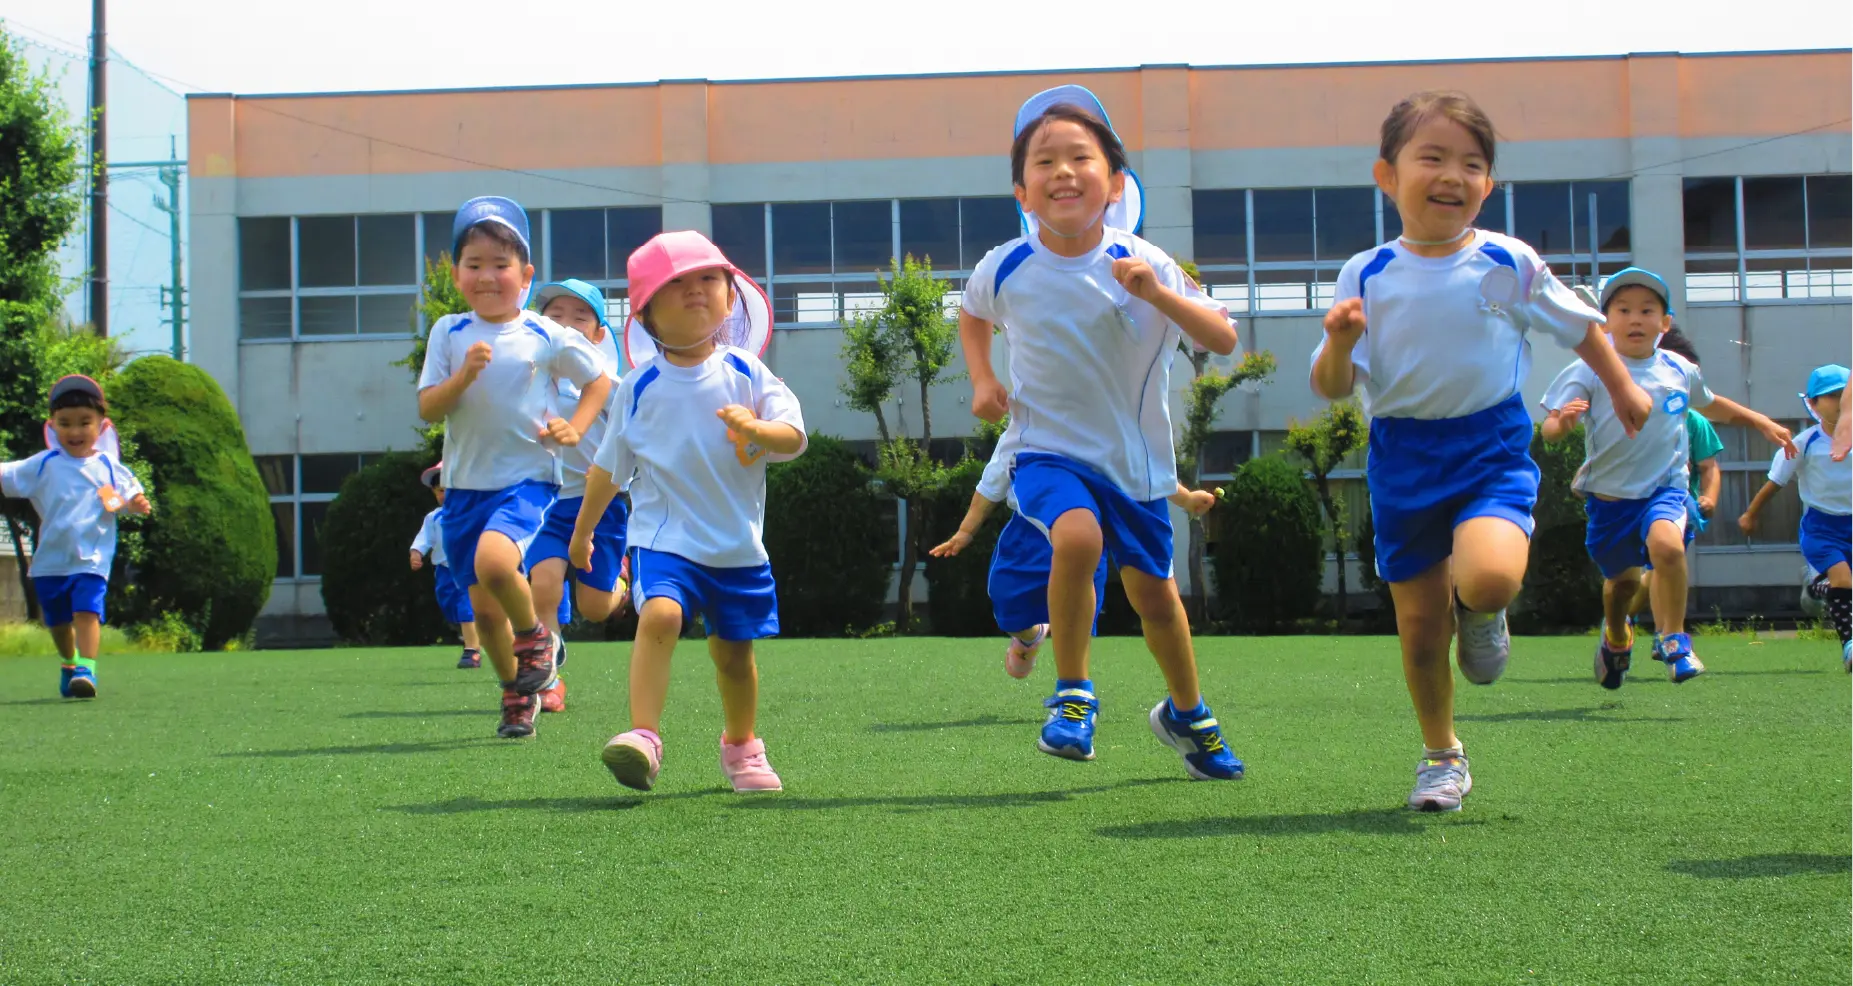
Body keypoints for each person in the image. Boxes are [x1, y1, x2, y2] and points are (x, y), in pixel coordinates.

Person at [1309, 90, 1652, 811]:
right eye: (1431, 158)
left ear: (1487, 184)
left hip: (1489, 442)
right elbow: (1332, 385)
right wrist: (1339, 340)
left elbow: (1578, 326)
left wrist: (1620, 385)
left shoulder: (1504, 261)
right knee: (1416, 626)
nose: (1451, 176)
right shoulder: (1366, 273)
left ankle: (1484, 610)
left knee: (1488, 579)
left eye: (1470, 163)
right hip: (1401, 453)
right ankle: (1441, 755)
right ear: (1386, 175)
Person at [959, 85, 1244, 781]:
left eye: (1079, 158)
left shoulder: (1144, 262)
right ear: (1021, 192)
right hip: (1047, 451)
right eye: (1043, 161)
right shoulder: (1006, 265)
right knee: (1077, 538)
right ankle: (1073, 694)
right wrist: (981, 381)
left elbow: (1223, 338)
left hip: (1135, 466)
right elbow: (970, 314)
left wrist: (1156, 295)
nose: (1062, 171)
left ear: (1114, 183)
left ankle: (1186, 712)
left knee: (1155, 597)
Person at [573, 231, 804, 793]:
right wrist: (582, 534)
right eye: (675, 284)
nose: (695, 290)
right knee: (660, 616)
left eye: (708, 279)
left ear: (731, 296)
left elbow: (794, 434)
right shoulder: (638, 387)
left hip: (737, 546)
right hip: (663, 538)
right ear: (647, 313)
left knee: (733, 656)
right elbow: (608, 469)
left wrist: (757, 430)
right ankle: (643, 738)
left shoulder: (747, 373)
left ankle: (743, 745)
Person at [416, 196, 612, 738]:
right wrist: (463, 376)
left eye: (501, 265)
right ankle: (514, 690)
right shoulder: (449, 333)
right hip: (462, 489)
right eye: (474, 264)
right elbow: (430, 406)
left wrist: (575, 425)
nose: (487, 276)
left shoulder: (543, 333)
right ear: (457, 273)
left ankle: (538, 640)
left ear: (524, 275)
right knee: (482, 612)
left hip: (527, 480)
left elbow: (598, 379)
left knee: (498, 565)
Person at [1542, 268, 1794, 688]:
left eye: (1647, 310)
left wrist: (1759, 421)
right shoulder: (1589, 367)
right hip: (1609, 501)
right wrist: (1562, 425)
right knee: (1620, 587)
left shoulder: (1678, 368)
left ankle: (1674, 637)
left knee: (1668, 547)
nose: (1635, 319)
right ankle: (1617, 635)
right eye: (1623, 310)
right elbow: (1550, 426)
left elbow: (1712, 405)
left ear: (1665, 323)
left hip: (1666, 490)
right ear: (1605, 320)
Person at [930, 420, 1218, 678]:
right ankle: (1030, 637)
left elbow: (1141, 472)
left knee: (1078, 615)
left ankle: (1074, 692)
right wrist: (965, 531)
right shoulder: (1024, 429)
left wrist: (1186, 499)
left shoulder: (1106, 426)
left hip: (1086, 538)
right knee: (1008, 604)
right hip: (1029, 533)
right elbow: (991, 484)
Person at [0, 375, 151, 699]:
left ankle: (86, 668)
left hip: (92, 558)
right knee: (56, 621)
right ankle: (69, 662)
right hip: (52, 560)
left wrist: (135, 505)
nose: (76, 431)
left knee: (87, 611)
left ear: (101, 426)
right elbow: (7, 474)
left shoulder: (108, 467)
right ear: (52, 426)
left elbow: (124, 500)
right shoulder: (44, 465)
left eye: (85, 422)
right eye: (66, 423)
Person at [523, 278, 631, 714]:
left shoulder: (613, 386)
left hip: (600, 507)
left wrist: (613, 473)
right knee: (542, 586)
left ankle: (621, 580)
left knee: (596, 607)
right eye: (555, 316)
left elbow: (637, 442)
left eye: (579, 317)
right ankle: (549, 678)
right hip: (547, 504)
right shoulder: (529, 380)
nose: (566, 325)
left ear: (600, 335)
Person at [1740, 364, 1852, 671]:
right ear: (1813, 404)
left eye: (1846, 395)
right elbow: (1774, 483)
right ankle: (1849, 645)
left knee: (1845, 583)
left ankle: (1816, 585)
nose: (1841, 402)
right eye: (1832, 397)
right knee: (1843, 578)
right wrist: (1751, 514)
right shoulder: (1804, 444)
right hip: (1822, 527)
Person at [1624, 325, 1722, 632]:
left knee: (1662, 564)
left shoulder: (1696, 422)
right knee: (1650, 569)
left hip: (1678, 503)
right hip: (1633, 501)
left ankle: (1665, 633)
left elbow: (1709, 467)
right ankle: (1624, 620)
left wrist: (1710, 497)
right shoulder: (1629, 414)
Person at [410, 463, 481, 669]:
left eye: (451, 490)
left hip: (469, 568)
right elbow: (424, 539)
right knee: (450, 606)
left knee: (465, 608)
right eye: (440, 491)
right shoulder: (434, 517)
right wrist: (416, 553)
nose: (445, 495)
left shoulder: (472, 513)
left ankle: (472, 650)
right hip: (444, 571)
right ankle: (476, 635)